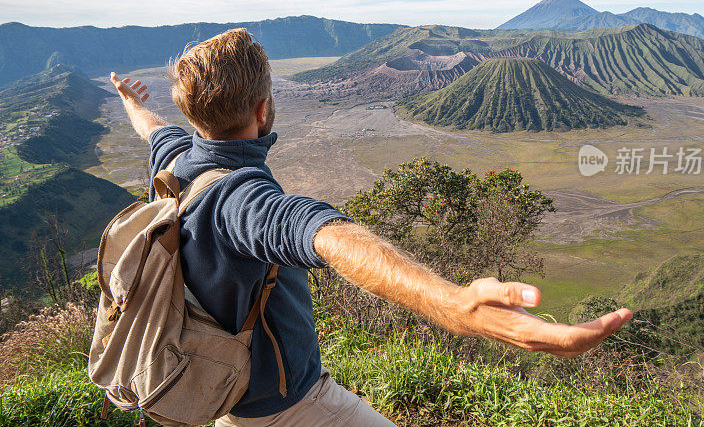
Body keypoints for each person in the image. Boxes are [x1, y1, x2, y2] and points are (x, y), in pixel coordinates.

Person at [109, 28, 632, 426]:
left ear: (191, 109)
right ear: (264, 108)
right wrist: (455, 305)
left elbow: (155, 130)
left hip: (221, 389)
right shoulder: (241, 199)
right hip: (282, 408)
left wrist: (132, 103)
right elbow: (326, 236)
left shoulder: (177, 160)